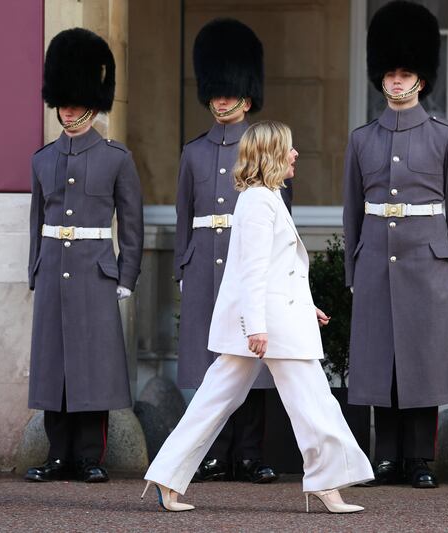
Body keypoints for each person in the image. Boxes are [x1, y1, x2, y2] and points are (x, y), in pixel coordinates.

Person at [142, 121, 373, 513]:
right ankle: (325, 484)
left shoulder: (264, 198)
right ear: (270, 155)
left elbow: (279, 269)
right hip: (268, 326)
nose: (296, 154)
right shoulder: (258, 201)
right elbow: (251, 270)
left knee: (219, 401)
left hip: (274, 319)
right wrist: (257, 327)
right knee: (313, 403)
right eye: (289, 148)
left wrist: (305, 305)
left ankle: (166, 477)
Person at [343, 0, 448, 489]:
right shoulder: (362, 140)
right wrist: (353, 272)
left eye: (405, 73)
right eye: (390, 74)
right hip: (376, 262)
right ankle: (387, 457)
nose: (397, 81)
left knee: (423, 362)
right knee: (382, 362)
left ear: (421, 78)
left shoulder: (445, 138)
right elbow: (353, 211)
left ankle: (420, 458)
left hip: (428, 264)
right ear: (380, 77)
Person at [25, 28, 144, 483]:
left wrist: (126, 276)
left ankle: (91, 456)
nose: (68, 110)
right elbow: (37, 220)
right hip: (54, 268)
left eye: (76, 103)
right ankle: (59, 455)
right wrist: (35, 269)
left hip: (96, 271)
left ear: (93, 104)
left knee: (93, 365)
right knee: (54, 364)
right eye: (64, 103)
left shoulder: (117, 158)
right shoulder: (43, 159)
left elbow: (131, 224)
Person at [174, 18, 290, 485]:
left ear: (246, 93)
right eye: (216, 92)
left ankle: (249, 453)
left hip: (248, 264)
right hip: (205, 263)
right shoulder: (193, 152)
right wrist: (184, 265)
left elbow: (282, 220)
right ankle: (215, 453)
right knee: (211, 363)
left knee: (253, 362)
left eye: (229, 92)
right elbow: (185, 214)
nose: (221, 100)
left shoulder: (265, 148)